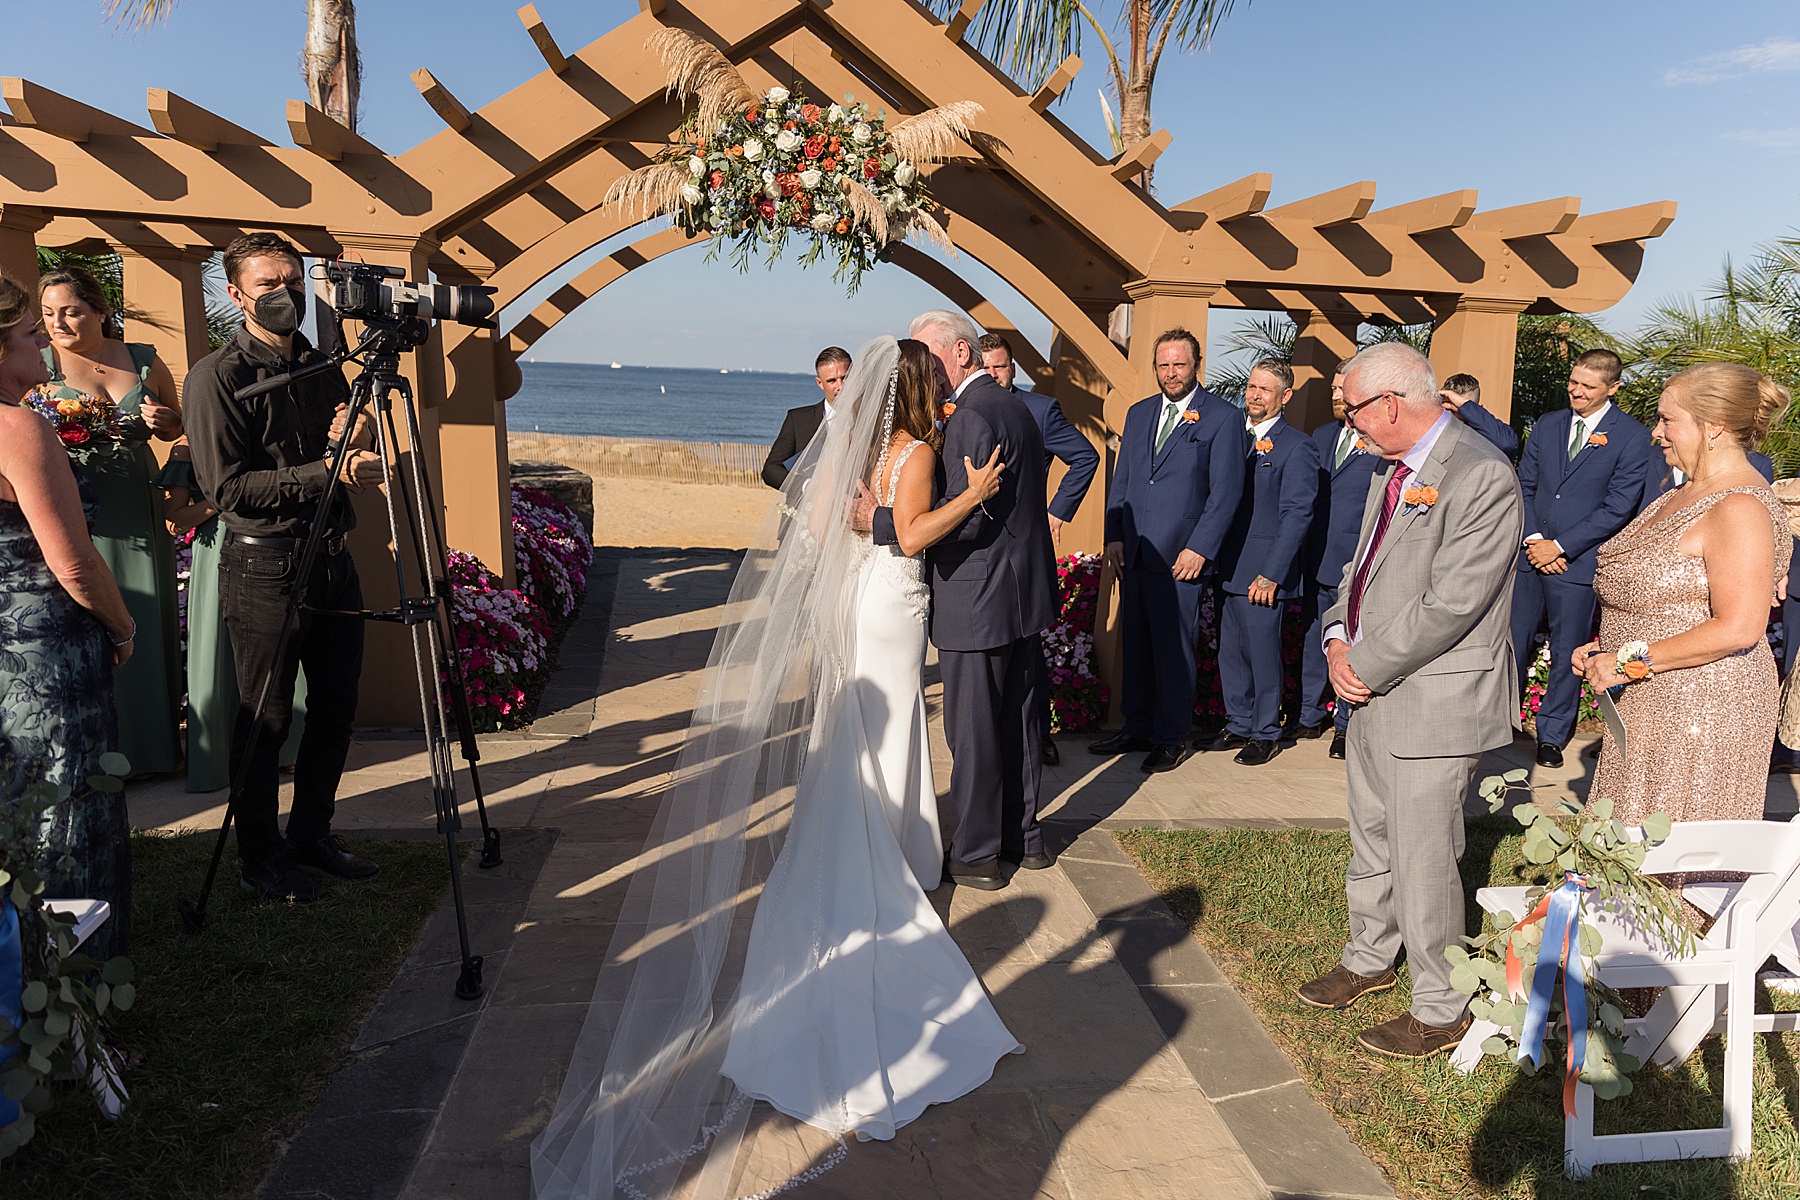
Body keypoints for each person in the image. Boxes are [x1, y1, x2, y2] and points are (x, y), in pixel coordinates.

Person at [532, 337, 1019, 1197]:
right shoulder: (916, 452)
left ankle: (876, 842)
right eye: (935, 378)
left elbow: (840, 517)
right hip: (888, 607)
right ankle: (893, 861)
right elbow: (908, 538)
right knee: (892, 726)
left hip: (857, 601)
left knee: (861, 732)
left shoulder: (862, 447)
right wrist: (972, 496)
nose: (945, 388)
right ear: (916, 387)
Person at [1298, 342, 1523, 1060]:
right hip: (1366, 688)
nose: (1351, 424)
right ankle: (1369, 957)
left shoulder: (1482, 475)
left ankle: (1439, 1004)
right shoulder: (1388, 474)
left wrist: (1361, 662)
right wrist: (1336, 640)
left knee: (1425, 855)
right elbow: (1355, 575)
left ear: (1391, 403)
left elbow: (1453, 602)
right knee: (1373, 837)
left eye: (1353, 409)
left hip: (1433, 698)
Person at [185, 232, 384, 902]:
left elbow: (343, 440)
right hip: (265, 566)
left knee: (334, 710)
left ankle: (312, 838)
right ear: (237, 294)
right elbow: (228, 491)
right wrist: (321, 471)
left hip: (333, 559)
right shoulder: (217, 377)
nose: (284, 293)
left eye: (292, 281)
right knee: (265, 722)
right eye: (267, 284)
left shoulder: (326, 361)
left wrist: (354, 437)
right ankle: (259, 860)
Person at [868, 311, 1058, 889]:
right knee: (1020, 722)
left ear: (961, 354)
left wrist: (879, 521)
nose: (923, 371)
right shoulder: (1011, 404)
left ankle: (976, 854)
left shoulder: (972, 416)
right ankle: (1024, 839)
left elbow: (968, 520)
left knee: (974, 732)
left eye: (928, 357)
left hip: (979, 597)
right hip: (1019, 592)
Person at [1580, 363, 1791, 825]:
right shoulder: (1678, 493)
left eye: (1667, 419)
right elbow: (1667, 600)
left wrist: (1626, 660)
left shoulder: (1739, 506)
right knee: (1625, 851)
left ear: (1712, 426)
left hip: (1701, 708)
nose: (1656, 432)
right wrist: (1608, 649)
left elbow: (1739, 627)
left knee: (1669, 859)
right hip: (1648, 697)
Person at [0, 277, 136, 961]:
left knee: (12, 810)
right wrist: (122, 626)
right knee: (65, 811)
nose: (40, 344)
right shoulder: (18, 427)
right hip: (42, 654)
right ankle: (79, 991)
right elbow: (75, 564)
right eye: (28, 334)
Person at [38, 266, 184, 777]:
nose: (59, 323)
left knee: (146, 622)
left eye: (71, 311)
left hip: (138, 510)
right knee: (88, 620)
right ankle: (96, 756)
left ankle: (153, 751)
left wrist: (168, 422)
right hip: (73, 509)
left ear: (101, 310)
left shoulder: (142, 360)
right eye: (49, 313)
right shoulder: (37, 366)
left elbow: (177, 427)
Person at [1093, 329, 1246, 773]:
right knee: (1136, 645)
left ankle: (1172, 736)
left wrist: (1201, 547)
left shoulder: (1222, 417)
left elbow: (1226, 493)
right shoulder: (1139, 414)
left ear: (1197, 364)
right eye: (1164, 365)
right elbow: (1122, 481)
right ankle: (1136, 726)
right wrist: (1114, 535)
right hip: (1136, 551)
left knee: (1174, 650)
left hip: (1183, 558)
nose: (1171, 373)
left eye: (1179, 364)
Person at [1511, 349, 1655, 768]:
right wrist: (1536, 539)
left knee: (1567, 652)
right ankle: (1501, 725)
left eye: (1587, 387)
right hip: (1530, 555)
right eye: (1573, 382)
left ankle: (1552, 736)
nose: (1576, 391)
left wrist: (1561, 547)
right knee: (1512, 644)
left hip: (1575, 564)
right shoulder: (1548, 424)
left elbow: (1619, 505)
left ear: (1612, 388)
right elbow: (1525, 484)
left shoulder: (1631, 435)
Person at [979, 331, 1099, 765]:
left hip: (1026, 546)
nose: (994, 374)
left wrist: (1058, 511)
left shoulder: (1040, 410)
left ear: (1013, 368)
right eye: (987, 366)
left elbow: (1085, 456)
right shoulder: (962, 409)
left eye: (1001, 366)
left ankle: (1037, 736)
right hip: (976, 547)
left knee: (1029, 642)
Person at [160, 440, 307, 792]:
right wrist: (224, 499)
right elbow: (174, 522)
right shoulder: (186, 449)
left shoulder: (273, 437)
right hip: (217, 553)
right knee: (217, 651)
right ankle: (216, 760)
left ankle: (288, 749)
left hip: (272, 543)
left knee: (278, 644)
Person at [1212, 359, 1320, 766]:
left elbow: (1298, 515)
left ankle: (1265, 731)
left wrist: (1272, 573)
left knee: (1261, 651)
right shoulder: (1231, 437)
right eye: (1252, 387)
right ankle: (1238, 722)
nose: (1255, 395)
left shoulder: (1299, 446)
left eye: (1265, 390)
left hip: (1262, 570)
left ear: (1285, 397)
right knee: (1230, 651)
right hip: (1227, 565)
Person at [1299, 364, 1382, 761]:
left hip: (1356, 562)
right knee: (1316, 638)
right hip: (1318, 556)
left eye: (1341, 388)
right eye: (1332, 387)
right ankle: (1308, 714)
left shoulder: (1378, 441)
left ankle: (1345, 726)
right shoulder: (1321, 435)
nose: (1335, 394)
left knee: (1350, 643)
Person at [761, 346, 850, 489]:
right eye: (832, 381)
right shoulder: (798, 420)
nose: (840, 386)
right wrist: (806, 487)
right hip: (805, 508)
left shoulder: (871, 420)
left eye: (845, 378)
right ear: (820, 383)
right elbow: (771, 470)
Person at [1440, 373, 1518, 457]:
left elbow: (1506, 444)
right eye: (1448, 409)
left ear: (1477, 408)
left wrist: (1464, 406)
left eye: (1460, 411)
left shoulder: (1481, 435)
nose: (1453, 415)